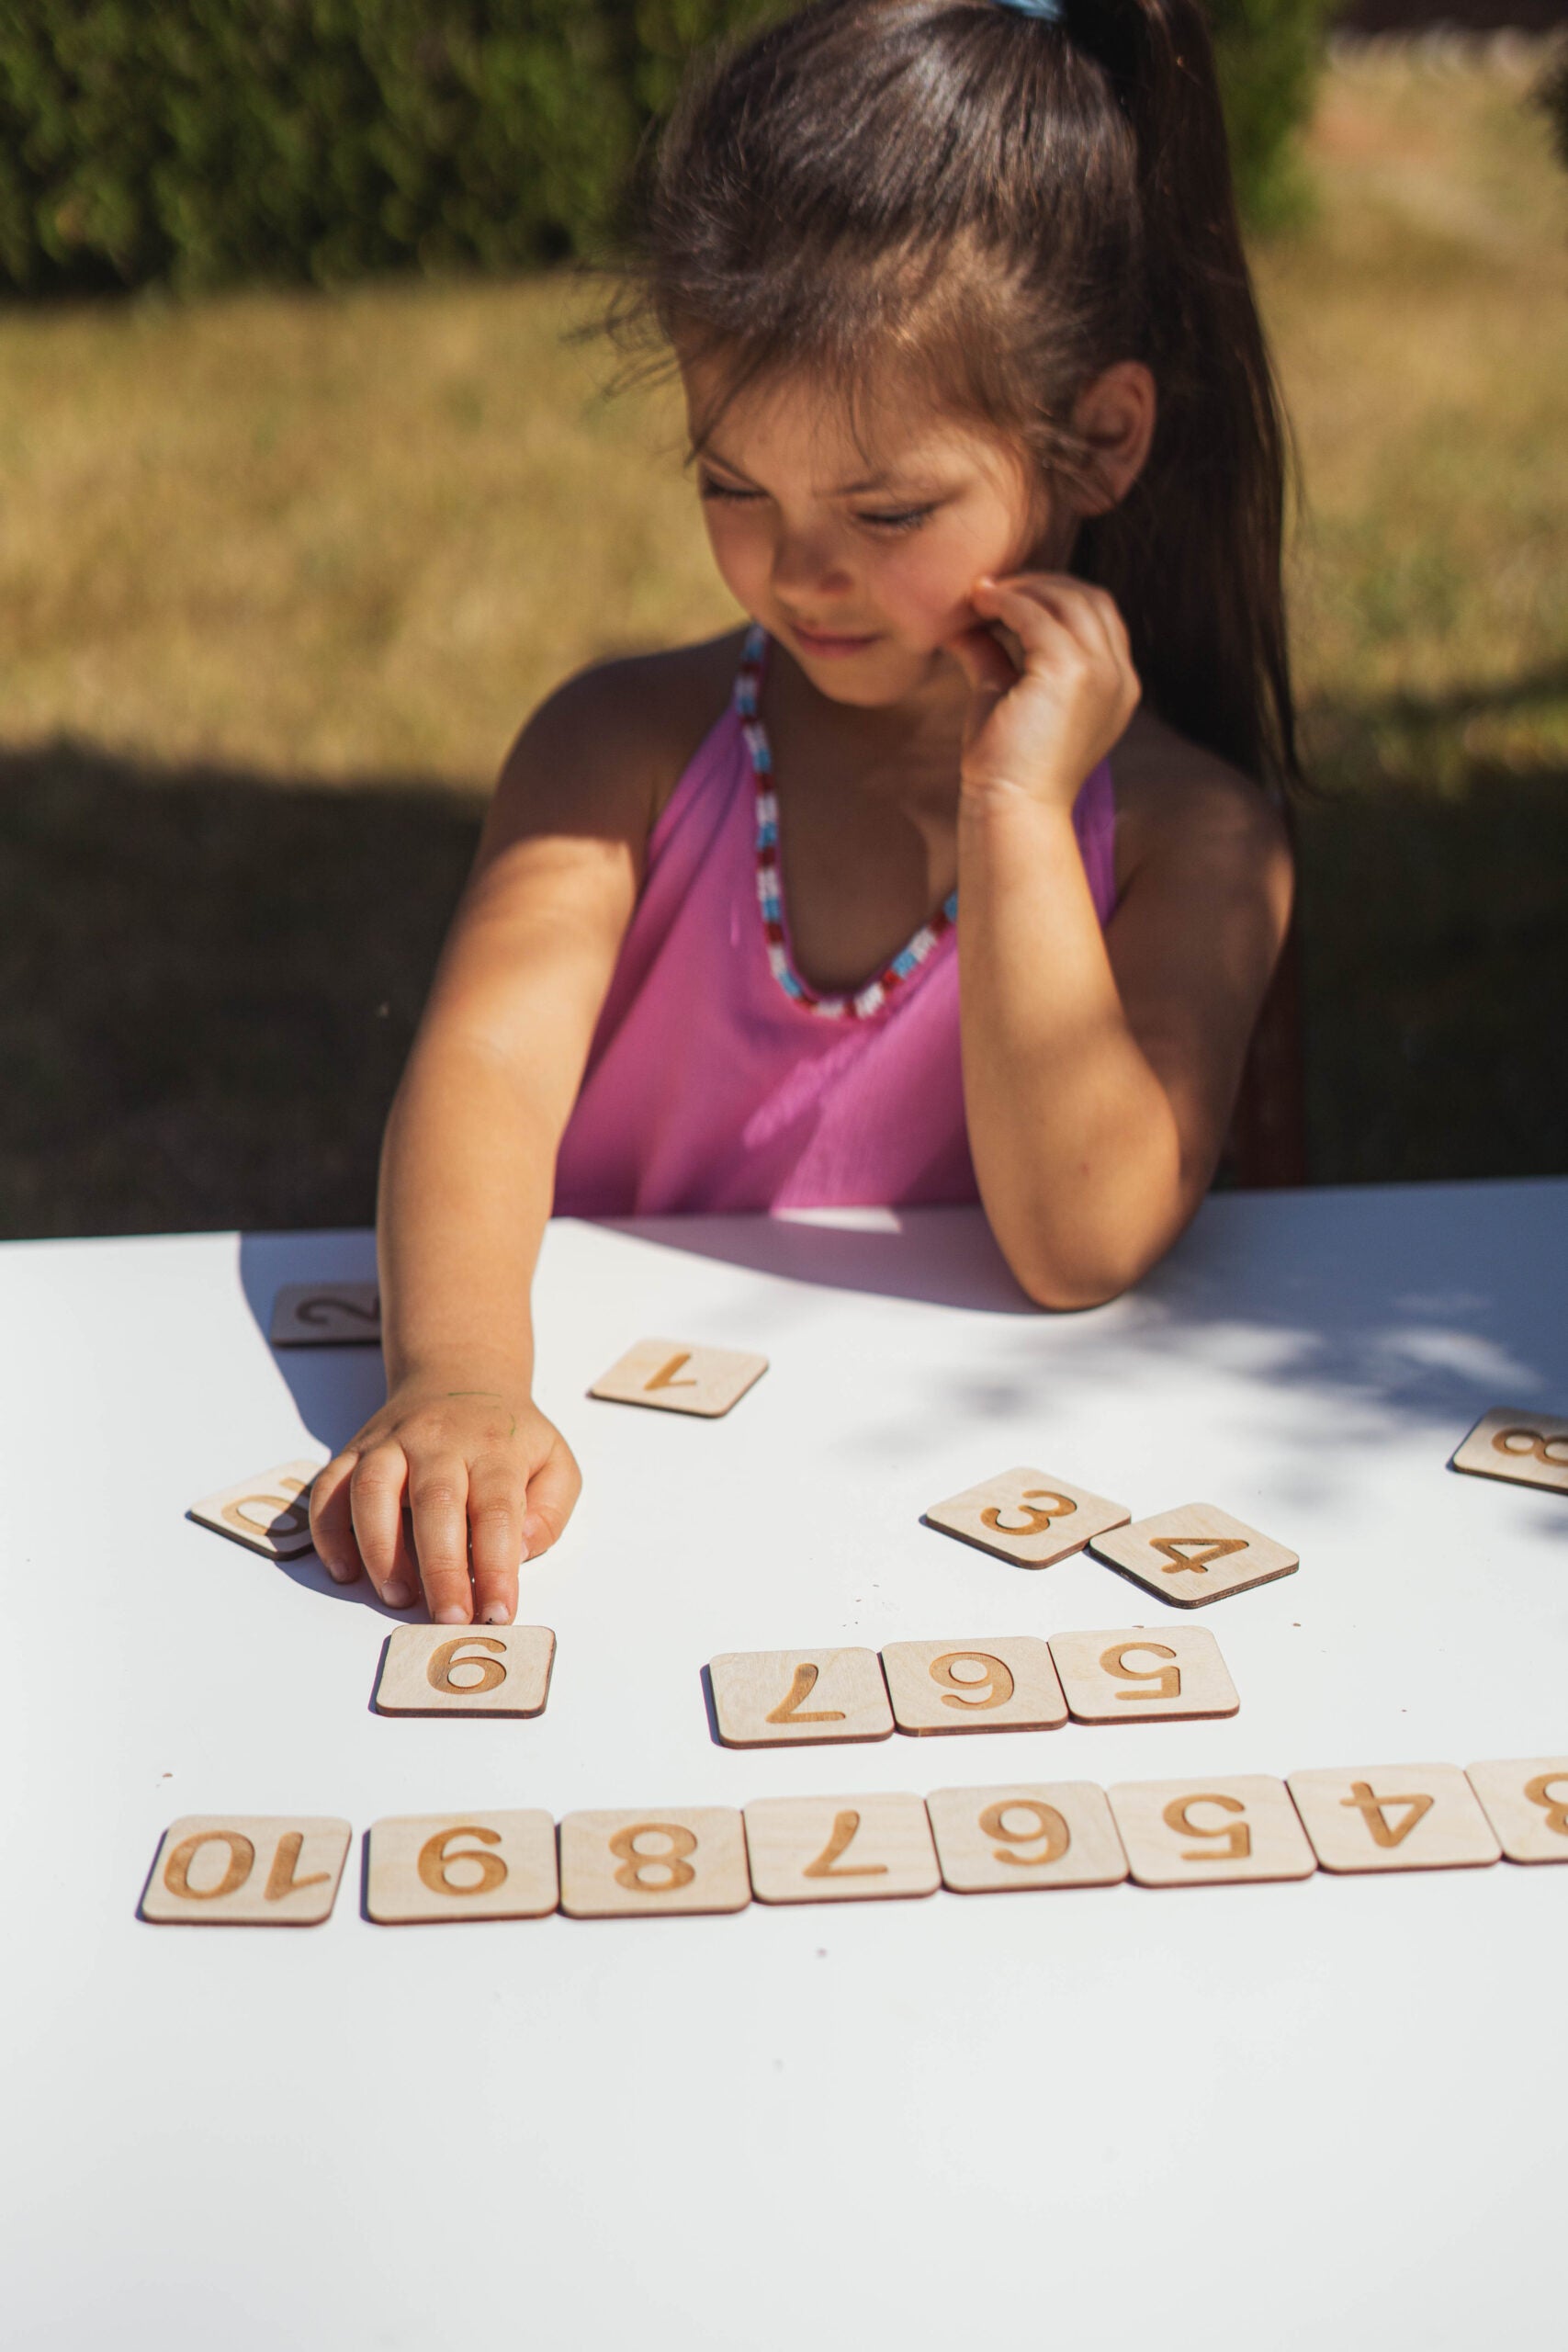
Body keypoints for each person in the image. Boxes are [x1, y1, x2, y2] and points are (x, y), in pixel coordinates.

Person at [310, 0, 1297, 1626]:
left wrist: (1018, 803)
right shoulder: (615, 754)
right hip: (623, 1546)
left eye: (888, 507)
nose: (798, 569)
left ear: (1101, 440)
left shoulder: (1197, 839)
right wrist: (458, 1381)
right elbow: (483, 1073)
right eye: (731, 485)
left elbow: (1080, 1241)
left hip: (929, 1574)